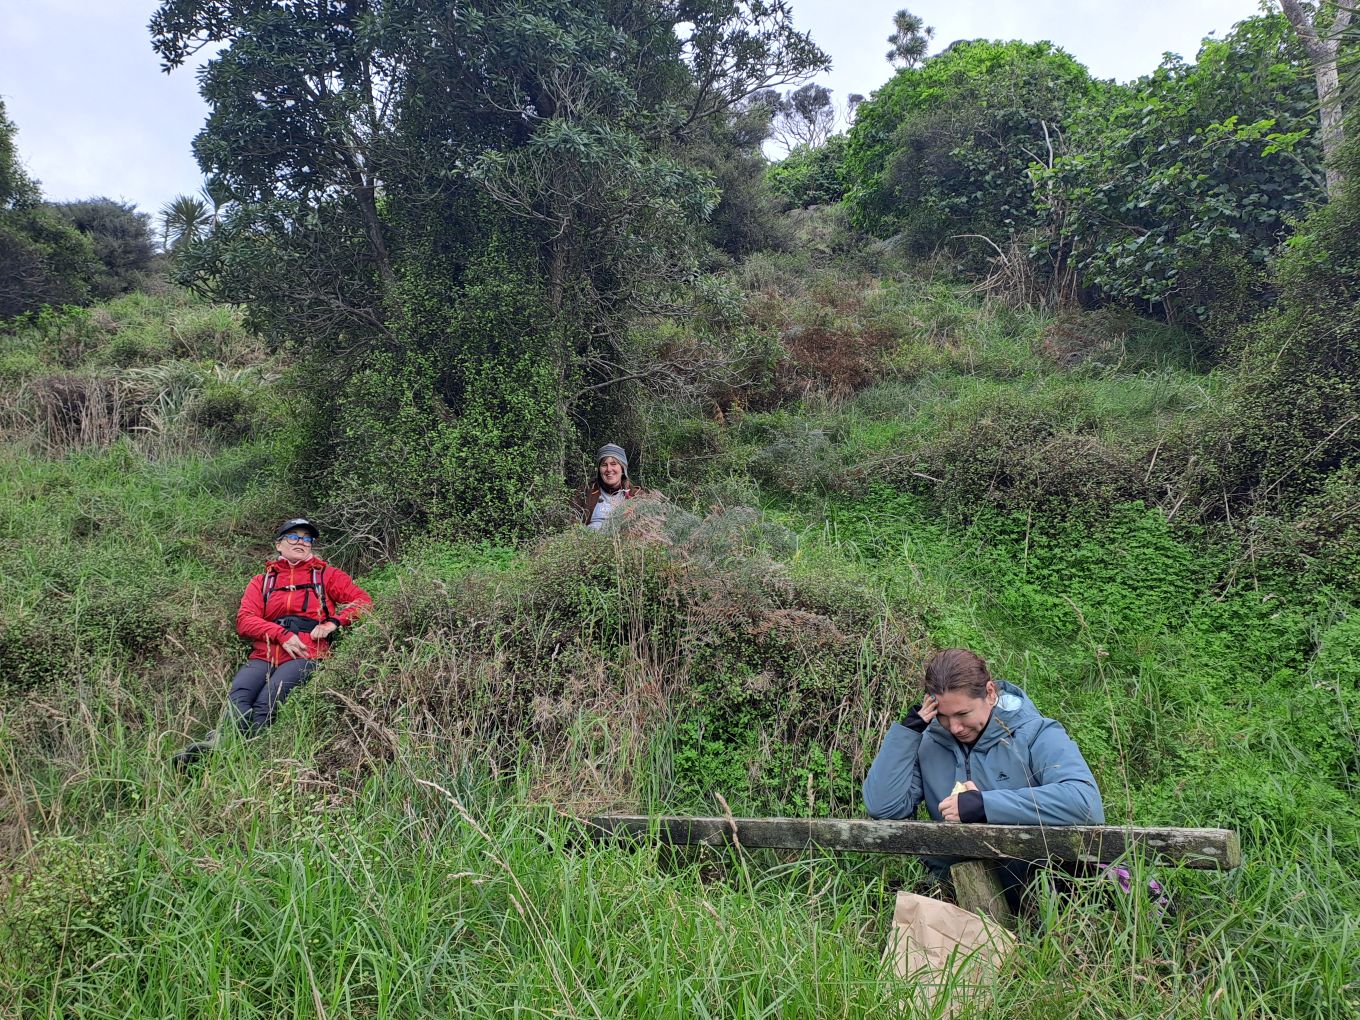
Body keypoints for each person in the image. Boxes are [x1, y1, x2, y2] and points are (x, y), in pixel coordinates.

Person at [863, 648, 1104, 905]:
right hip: (958, 898)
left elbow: (1085, 803)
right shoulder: (928, 744)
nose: (954, 727)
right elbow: (883, 806)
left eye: (963, 714)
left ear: (990, 693)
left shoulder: (1037, 734)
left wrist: (985, 805)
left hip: (1045, 898)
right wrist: (908, 732)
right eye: (943, 716)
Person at [174, 517, 371, 767]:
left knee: (267, 701)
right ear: (279, 545)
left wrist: (334, 622)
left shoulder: (326, 575)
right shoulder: (262, 581)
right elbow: (245, 621)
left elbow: (362, 601)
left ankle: (243, 759)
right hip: (264, 654)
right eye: (294, 537)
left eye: (307, 538)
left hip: (306, 654)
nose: (301, 542)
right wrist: (281, 634)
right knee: (240, 694)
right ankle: (221, 748)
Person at [575, 443, 642, 529]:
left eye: (613, 464)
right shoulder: (586, 491)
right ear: (599, 470)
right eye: (604, 465)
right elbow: (569, 516)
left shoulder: (636, 495)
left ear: (622, 468)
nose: (609, 469)